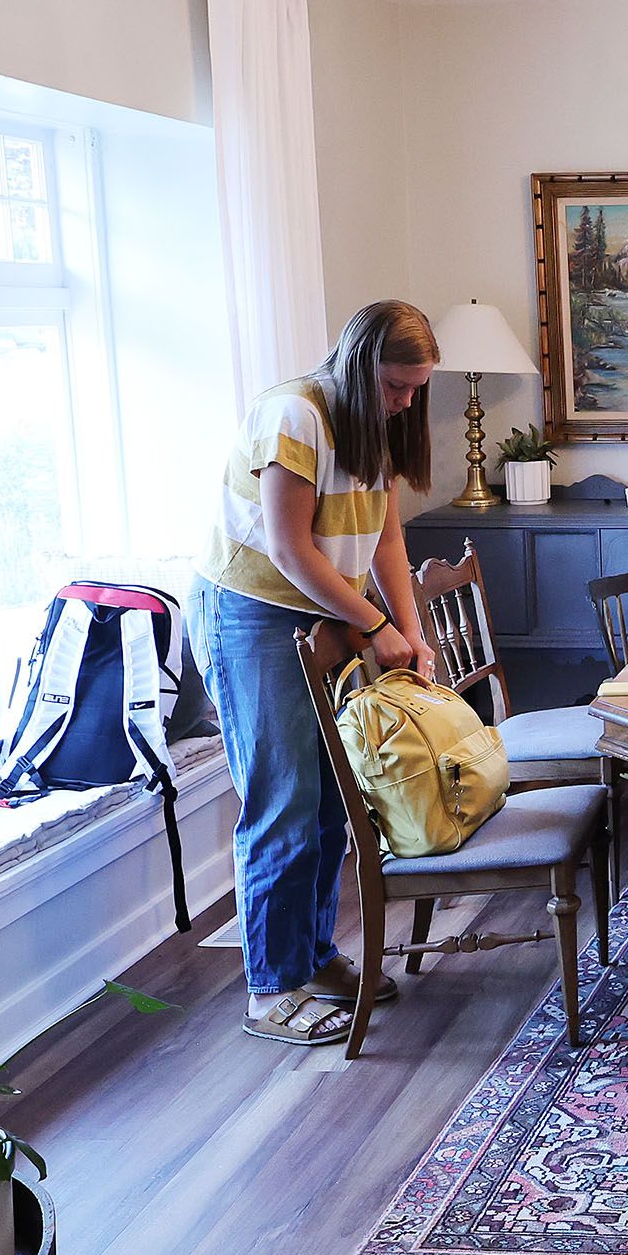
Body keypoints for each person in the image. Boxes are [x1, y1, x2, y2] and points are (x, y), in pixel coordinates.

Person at [193, 301, 441, 1044]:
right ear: (364, 367)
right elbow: (291, 548)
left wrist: (412, 632)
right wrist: (373, 626)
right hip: (255, 612)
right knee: (283, 800)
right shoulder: (294, 415)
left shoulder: (373, 422)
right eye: (398, 387)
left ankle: (314, 956)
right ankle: (271, 988)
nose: (406, 402)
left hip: (321, 606)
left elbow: (387, 534)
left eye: (415, 389)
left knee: (333, 800)